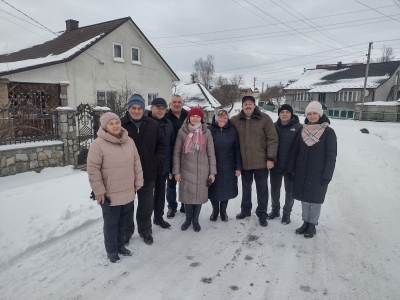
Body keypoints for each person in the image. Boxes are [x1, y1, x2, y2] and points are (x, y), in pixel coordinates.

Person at [87, 112, 143, 263]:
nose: (115, 126)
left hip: (127, 190)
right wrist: (99, 192)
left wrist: (138, 181)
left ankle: (120, 246)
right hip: (110, 193)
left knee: (123, 221)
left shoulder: (128, 141)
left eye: (117, 122)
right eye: (111, 123)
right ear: (105, 126)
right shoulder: (98, 144)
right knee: (111, 223)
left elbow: (136, 162)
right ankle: (111, 250)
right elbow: (93, 169)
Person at [121, 94, 165, 245]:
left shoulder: (152, 124)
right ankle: (126, 232)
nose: (137, 111)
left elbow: (161, 143)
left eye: (140, 108)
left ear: (143, 109)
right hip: (127, 173)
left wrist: (156, 159)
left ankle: (145, 230)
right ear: (128, 108)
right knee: (127, 204)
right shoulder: (120, 125)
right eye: (133, 108)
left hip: (148, 171)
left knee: (146, 203)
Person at [288, 101, 337, 238]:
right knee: (305, 198)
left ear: (320, 114)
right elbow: (295, 151)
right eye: (309, 113)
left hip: (318, 172)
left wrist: (327, 175)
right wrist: (290, 169)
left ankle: (312, 225)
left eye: (314, 113)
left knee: (315, 200)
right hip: (302, 171)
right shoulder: (302, 130)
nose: (312, 116)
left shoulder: (328, 132)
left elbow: (331, 156)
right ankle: (305, 222)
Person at [230, 95, 278, 227]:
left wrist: (270, 158)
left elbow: (272, 139)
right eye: (245, 104)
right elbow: (225, 132)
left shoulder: (265, 119)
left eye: (250, 103)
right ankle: (245, 210)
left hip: (261, 162)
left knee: (262, 189)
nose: (248, 106)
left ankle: (262, 214)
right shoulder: (235, 120)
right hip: (244, 162)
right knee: (246, 188)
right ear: (242, 106)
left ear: (255, 105)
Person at [172, 107, 217, 232]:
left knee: (199, 196)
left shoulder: (206, 132)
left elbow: (211, 153)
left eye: (198, 116)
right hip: (186, 169)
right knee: (187, 196)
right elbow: (176, 153)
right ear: (189, 117)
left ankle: (195, 220)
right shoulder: (182, 132)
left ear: (201, 118)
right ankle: (187, 219)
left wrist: (212, 172)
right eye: (193, 116)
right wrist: (177, 171)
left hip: (203, 170)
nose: (195, 118)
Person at [267, 104, 302, 225]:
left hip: (290, 166)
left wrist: (294, 166)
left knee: (289, 191)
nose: (285, 114)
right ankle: (275, 210)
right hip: (276, 164)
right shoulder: (274, 126)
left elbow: (299, 148)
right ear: (279, 114)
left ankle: (286, 214)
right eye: (282, 112)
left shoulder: (298, 128)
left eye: (287, 112)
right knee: (275, 189)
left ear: (291, 114)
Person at [208, 109, 242, 222]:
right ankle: (215, 211)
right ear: (215, 118)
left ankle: (223, 211)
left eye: (225, 118)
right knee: (213, 189)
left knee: (226, 189)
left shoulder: (232, 131)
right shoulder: (209, 130)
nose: (222, 119)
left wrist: (238, 167)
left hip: (229, 165)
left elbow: (237, 149)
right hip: (213, 165)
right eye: (220, 117)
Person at [147, 97, 175, 229]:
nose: (161, 111)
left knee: (160, 194)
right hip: (148, 167)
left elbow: (172, 144)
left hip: (163, 165)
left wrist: (171, 164)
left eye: (163, 108)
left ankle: (158, 218)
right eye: (158, 108)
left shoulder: (168, 123)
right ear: (151, 108)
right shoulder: (145, 122)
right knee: (146, 197)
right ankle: (145, 224)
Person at [165, 95, 188, 218]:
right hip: (171, 154)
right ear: (170, 103)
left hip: (187, 155)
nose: (177, 104)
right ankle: (172, 207)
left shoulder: (188, 116)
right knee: (171, 183)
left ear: (182, 103)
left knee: (185, 182)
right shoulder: (165, 116)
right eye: (174, 102)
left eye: (179, 102)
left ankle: (185, 204)